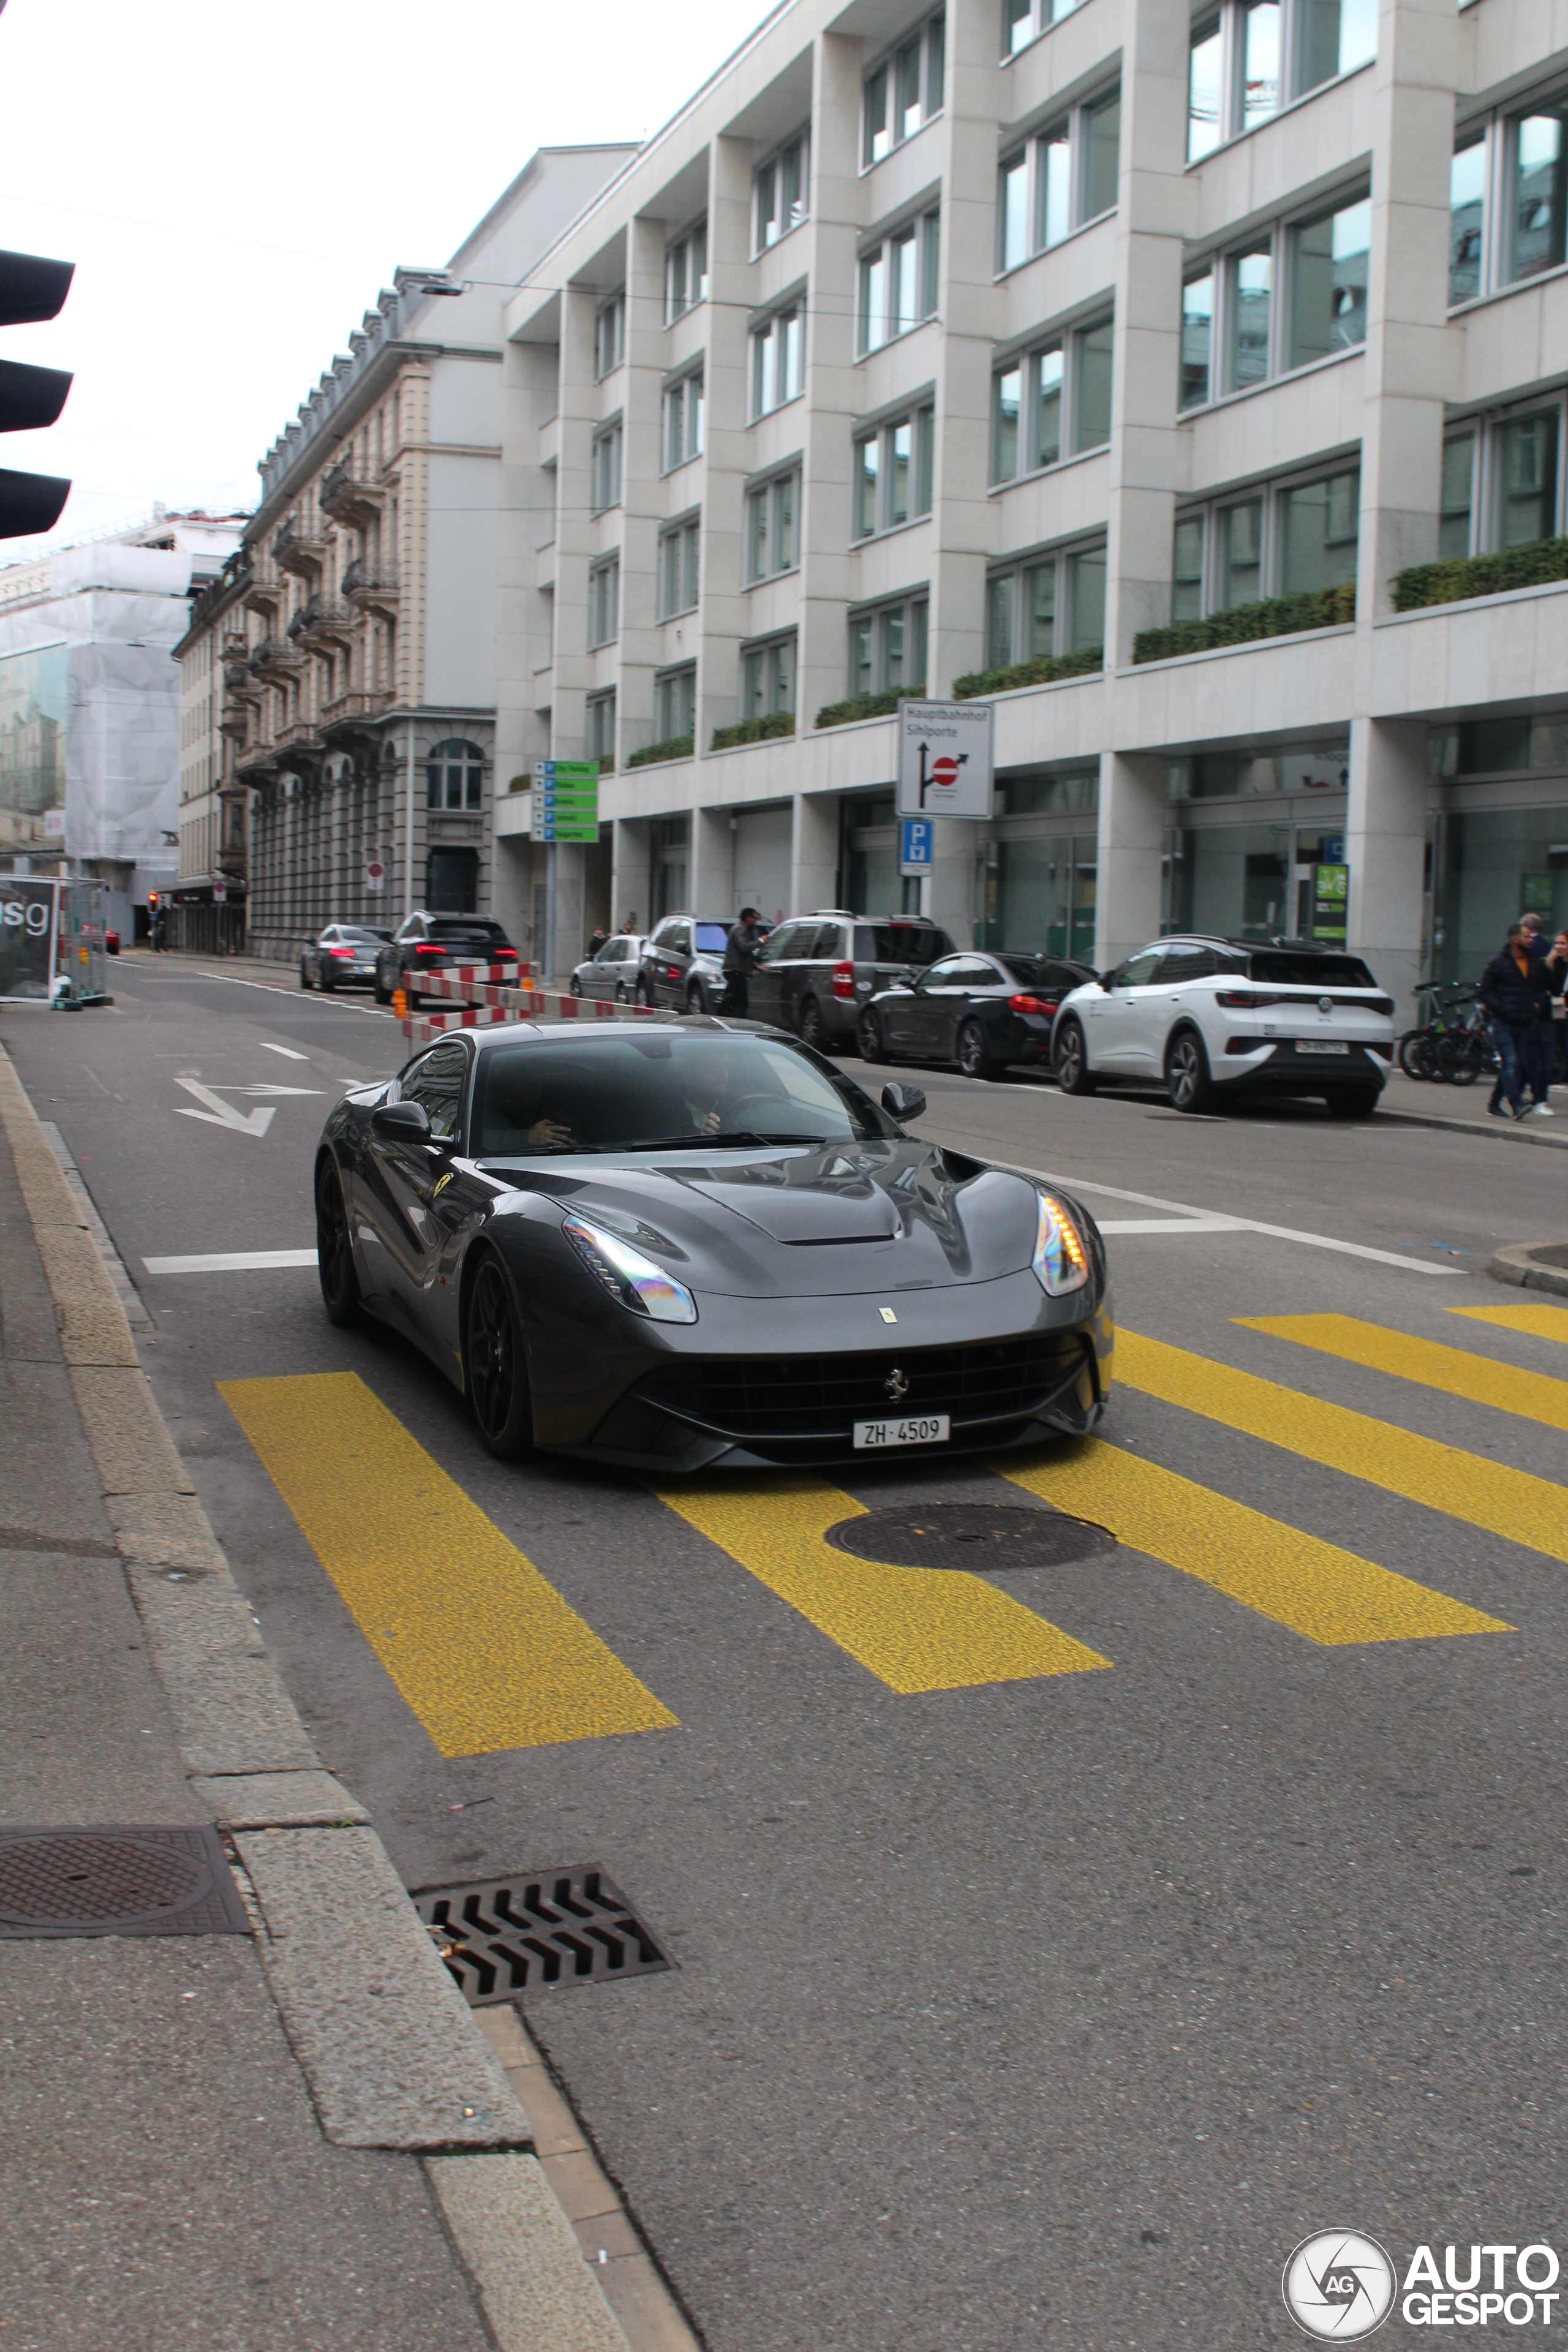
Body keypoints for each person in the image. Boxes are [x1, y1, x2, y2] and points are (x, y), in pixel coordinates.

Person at [1479, 921, 1548, 1121]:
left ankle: (1493, 1104)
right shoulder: (1499, 963)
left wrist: (1538, 1004)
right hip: (1503, 1021)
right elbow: (1485, 990)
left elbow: (1540, 990)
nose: (1531, 940)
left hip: (1525, 1020)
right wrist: (1499, 1007)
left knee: (1511, 1065)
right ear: (1515, 939)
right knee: (1510, 1061)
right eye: (1526, 937)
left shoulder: (1533, 963)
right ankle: (1516, 1104)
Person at [720, 907, 764, 1016]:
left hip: (734, 970)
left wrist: (755, 966)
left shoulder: (740, 929)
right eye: (755, 918)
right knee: (741, 1001)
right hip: (736, 971)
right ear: (748, 918)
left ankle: (722, 1017)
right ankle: (738, 1024)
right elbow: (744, 947)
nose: (756, 921)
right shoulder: (740, 929)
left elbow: (743, 954)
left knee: (730, 999)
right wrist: (761, 941)